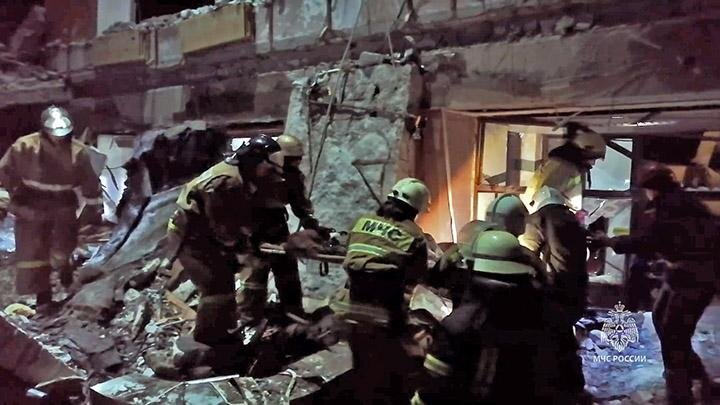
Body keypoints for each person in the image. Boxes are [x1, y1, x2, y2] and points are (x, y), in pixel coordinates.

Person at [593, 164, 720, 404]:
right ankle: (698, 379)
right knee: (664, 322)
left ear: (653, 189)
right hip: (689, 276)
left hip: (692, 280)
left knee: (674, 335)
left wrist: (610, 242)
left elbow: (649, 241)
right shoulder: (682, 202)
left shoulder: (671, 207)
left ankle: (680, 392)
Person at [413, 231, 573, 404]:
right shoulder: (553, 316)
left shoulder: (458, 326)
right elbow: (572, 380)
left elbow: (431, 391)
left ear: (471, 268)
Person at [167, 134, 284, 346]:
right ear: (255, 160)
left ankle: (222, 331)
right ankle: (205, 341)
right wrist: (244, 249)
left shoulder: (239, 174)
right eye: (268, 163)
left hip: (205, 234)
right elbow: (223, 228)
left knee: (225, 282)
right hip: (191, 238)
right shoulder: (227, 183)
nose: (272, 169)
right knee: (216, 286)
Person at [0, 106, 103, 311]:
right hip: (30, 206)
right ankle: (43, 298)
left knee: (62, 249)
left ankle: (66, 272)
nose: (59, 139)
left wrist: (93, 212)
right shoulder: (24, 147)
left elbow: (90, 184)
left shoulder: (78, 152)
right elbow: (5, 173)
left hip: (62, 206)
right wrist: (11, 202)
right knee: (33, 255)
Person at [338, 177, 430, 404]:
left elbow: (350, 249)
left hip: (353, 299)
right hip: (385, 304)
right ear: (415, 208)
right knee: (387, 356)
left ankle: (360, 391)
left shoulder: (362, 221)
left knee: (361, 353)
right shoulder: (414, 234)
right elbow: (416, 275)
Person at [239, 134, 320, 320]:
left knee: (287, 271)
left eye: (298, 159)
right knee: (256, 272)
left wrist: (310, 221)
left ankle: (293, 313)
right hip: (255, 225)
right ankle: (250, 314)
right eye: (291, 159)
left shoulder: (293, 177)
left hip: (277, 224)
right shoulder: (258, 174)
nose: (296, 163)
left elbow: (299, 204)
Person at [521, 122, 607, 212]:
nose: (593, 163)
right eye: (593, 158)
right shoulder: (563, 167)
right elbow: (547, 197)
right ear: (583, 153)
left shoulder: (569, 167)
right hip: (545, 214)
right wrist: (562, 215)